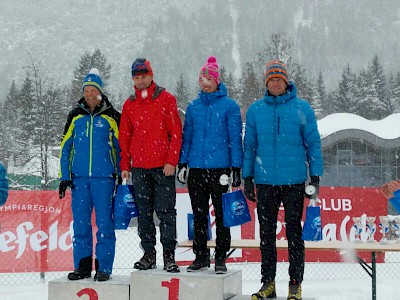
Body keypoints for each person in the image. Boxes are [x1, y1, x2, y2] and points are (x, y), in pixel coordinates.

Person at [243, 60, 323, 300]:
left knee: (294, 235)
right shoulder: (256, 110)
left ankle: (295, 284)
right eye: (271, 79)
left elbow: (313, 143)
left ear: (286, 82)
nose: (275, 83)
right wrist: (247, 177)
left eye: (279, 79)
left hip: (294, 181)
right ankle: (268, 284)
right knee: (266, 235)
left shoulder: (302, 108)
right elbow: (250, 146)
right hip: (265, 182)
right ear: (266, 83)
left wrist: (315, 176)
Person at [177, 56, 243, 274]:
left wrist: (236, 167)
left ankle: (221, 258)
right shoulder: (193, 107)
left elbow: (235, 138)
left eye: (209, 79)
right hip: (196, 168)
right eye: (202, 78)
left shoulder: (229, 106)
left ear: (217, 81)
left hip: (221, 169)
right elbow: (187, 138)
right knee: (199, 214)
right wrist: (183, 162)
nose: (205, 83)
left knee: (222, 216)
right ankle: (201, 256)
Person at [119, 58, 182, 273]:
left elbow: (176, 134)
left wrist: (171, 161)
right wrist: (125, 165)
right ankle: (149, 254)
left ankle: (169, 256)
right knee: (144, 214)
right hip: (139, 168)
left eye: (144, 76)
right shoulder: (129, 104)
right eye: (137, 77)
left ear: (151, 75)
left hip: (163, 168)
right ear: (133, 80)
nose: (141, 80)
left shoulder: (166, 99)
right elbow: (124, 138)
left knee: (166, 213)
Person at [59, 68, 121, 282]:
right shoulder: (75, 115)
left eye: (93, 90)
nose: (89, 94)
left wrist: (121, 174)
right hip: (79, 181)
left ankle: (103, 268)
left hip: (104, 180)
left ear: (100, 92)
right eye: (86, 90)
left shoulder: (112, 116)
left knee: (105, 225)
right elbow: (65, 147)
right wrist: (64, 176)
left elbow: (120, 149)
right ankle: (82, 267)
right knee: (81, 225)